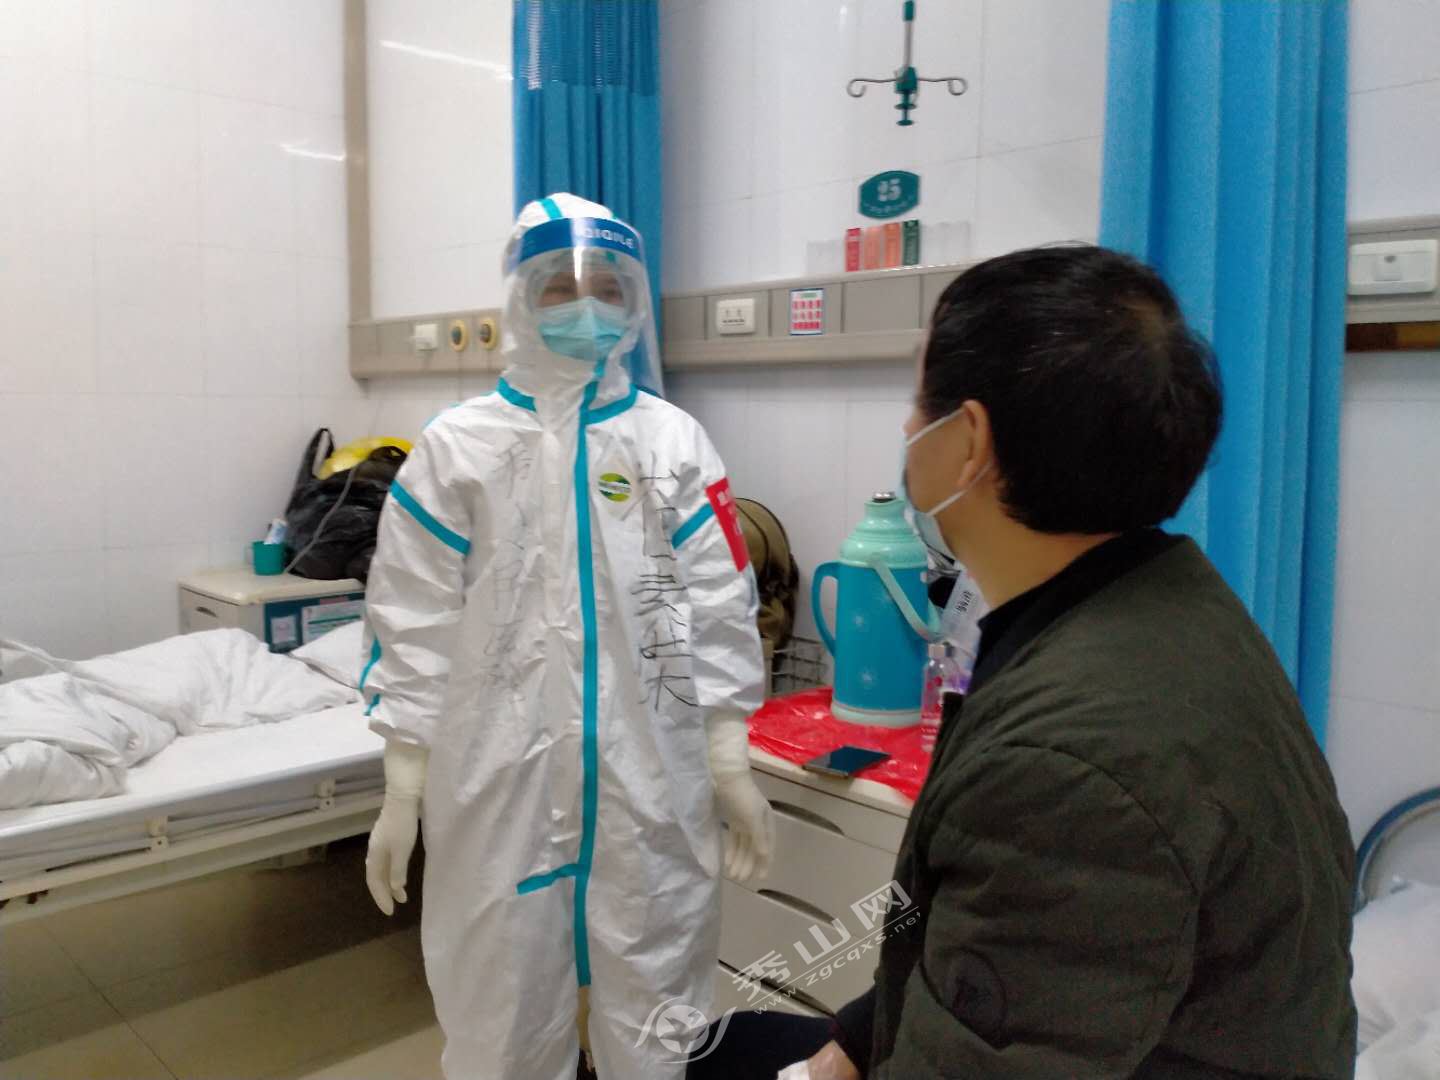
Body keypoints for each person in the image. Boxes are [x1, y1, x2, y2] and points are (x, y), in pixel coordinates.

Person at [691, 246, 1357, 1079]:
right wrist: (849, 1048)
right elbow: (982, 963)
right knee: (723, 1047)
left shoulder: (1071, 767)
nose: (906, 427)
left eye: (919, 399)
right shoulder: (1164, 606)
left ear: (967, 439)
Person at [361, 192, 774, 1080]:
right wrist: (403, 784)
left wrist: (728, 757)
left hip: (651, 777)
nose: (588, 306)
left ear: (635, 302)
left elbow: (716, 604)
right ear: (520, 297)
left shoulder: (672, 442)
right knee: (499, 1012)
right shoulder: (457, 449)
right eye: (560, 287)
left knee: (659, 1003)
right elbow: (413, 622)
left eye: (608, 287)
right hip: (495, 782)